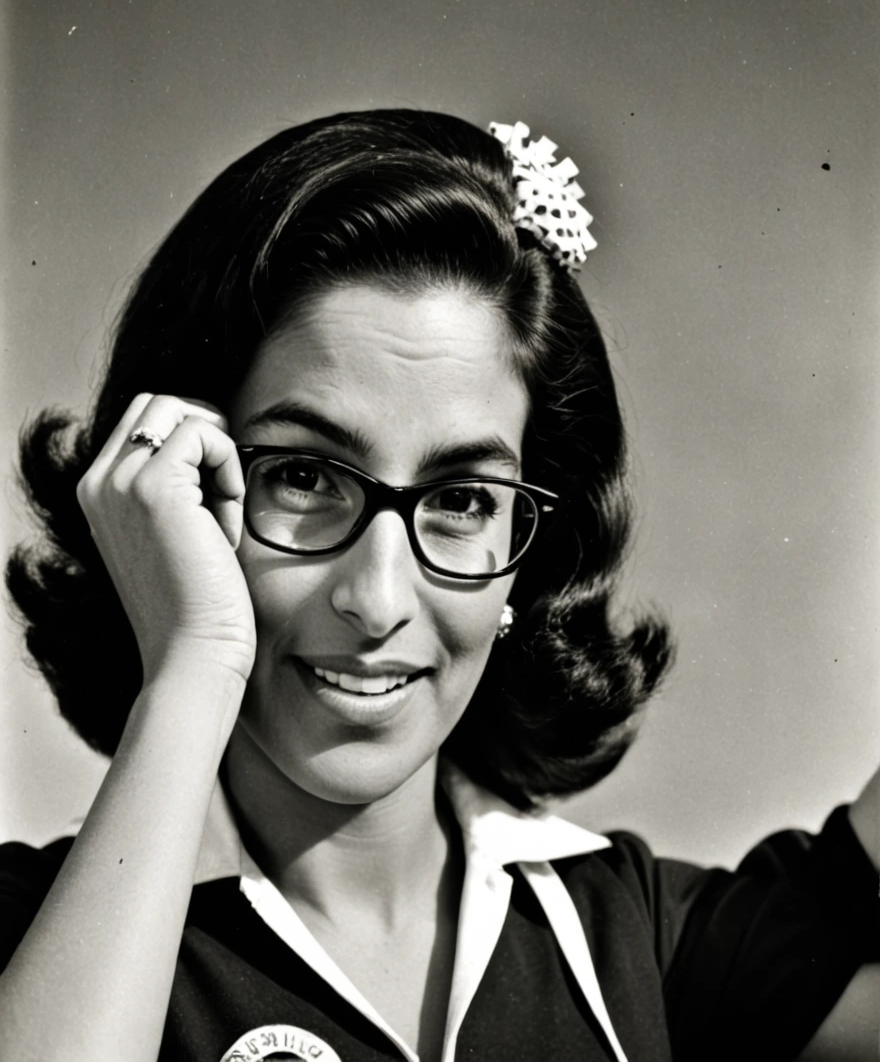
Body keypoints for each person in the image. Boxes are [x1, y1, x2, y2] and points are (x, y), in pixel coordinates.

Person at [1, 109, 877, 1062]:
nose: (377, 601)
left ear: (527, 554)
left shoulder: (639, 946)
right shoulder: (32, 943)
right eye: (302, 476)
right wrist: (192, 665)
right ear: (176, 483)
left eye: (461, 498)